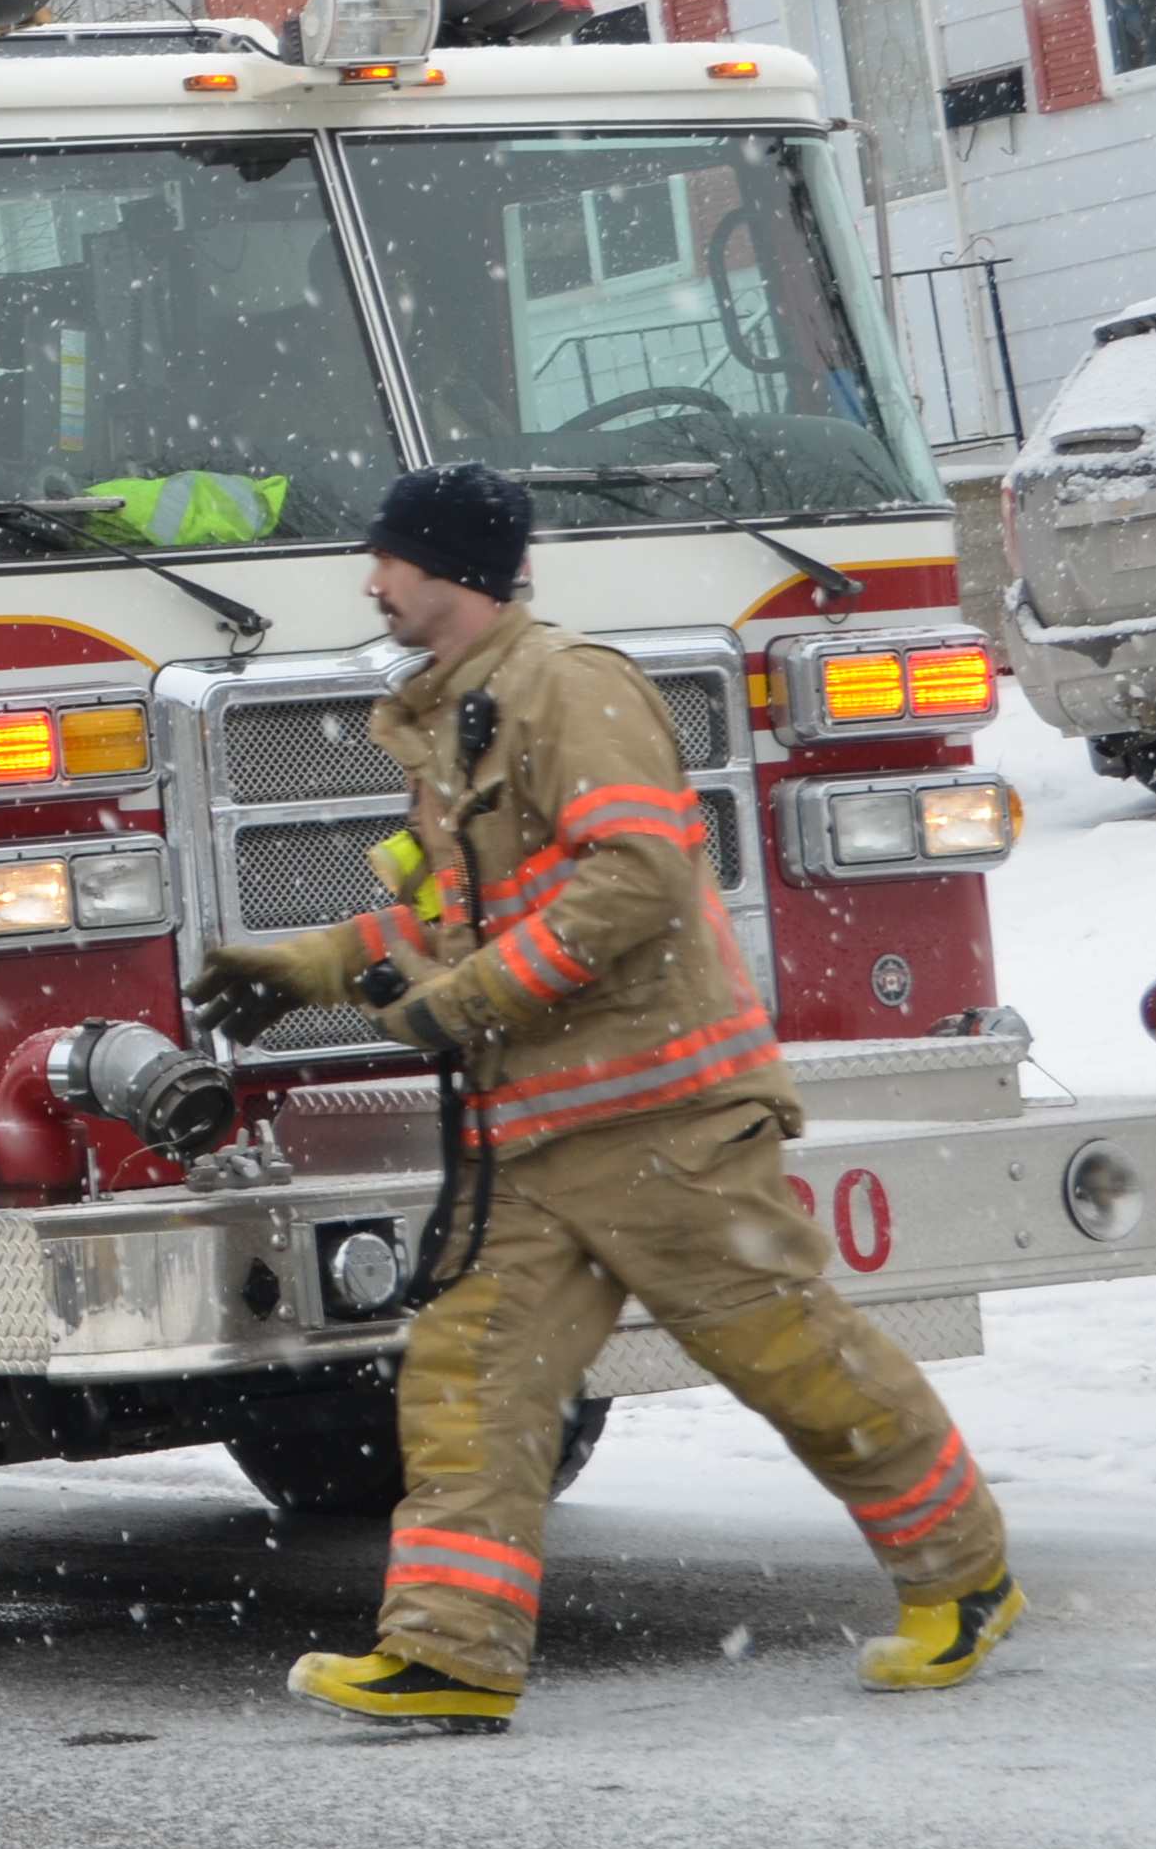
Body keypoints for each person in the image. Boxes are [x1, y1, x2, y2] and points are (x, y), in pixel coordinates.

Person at [187, 462, 1016, 1726]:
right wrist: (322, 964)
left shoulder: (569, 690)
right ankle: (449, 1655)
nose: (370, 583)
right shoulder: (455, 713)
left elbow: (632, 879)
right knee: (471, 1381)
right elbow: (459, 913)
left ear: (446, 569)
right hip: (541, 1135)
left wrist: (466, 1006)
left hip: (659, 1123)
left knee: (793, 1360)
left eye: (388, 561)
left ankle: (962, 1581)